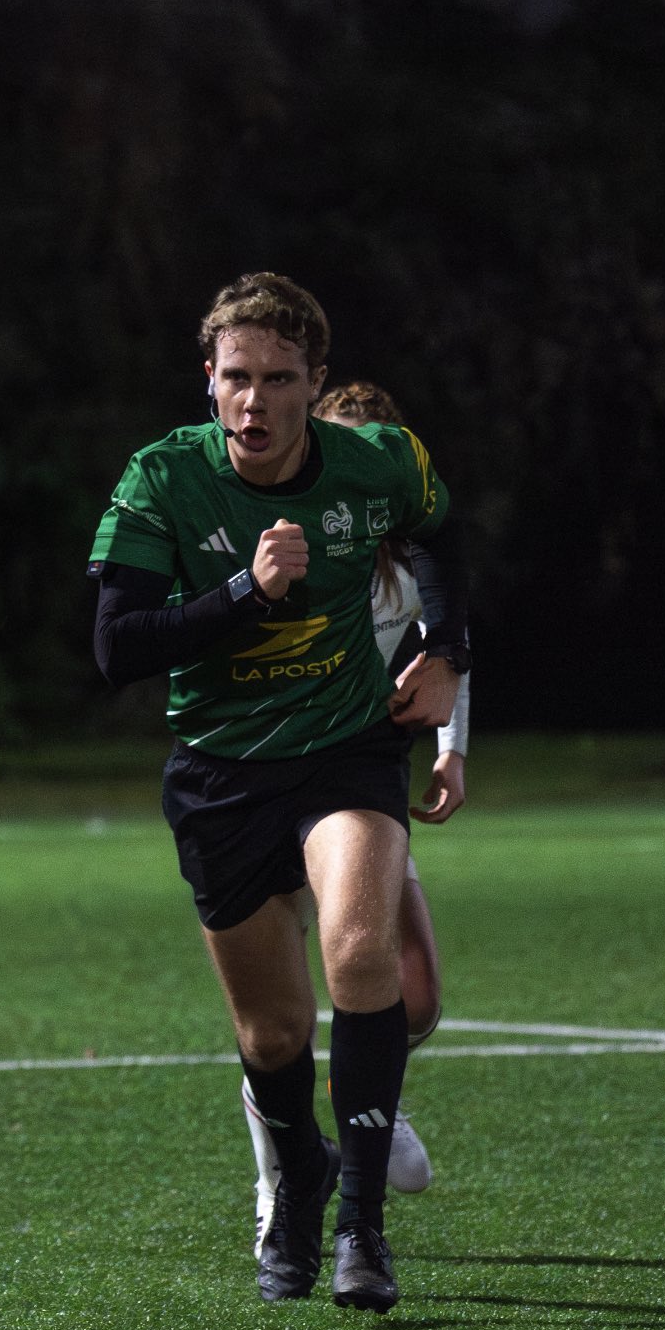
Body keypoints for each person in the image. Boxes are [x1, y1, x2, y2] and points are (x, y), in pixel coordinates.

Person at [87, 275, 469, 1314]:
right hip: (218, 773)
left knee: (358, 952)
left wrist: (445, 652)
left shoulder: (375, 462)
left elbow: (437, 531)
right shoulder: (161, 479)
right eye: (235, 380)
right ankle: (295, 1177)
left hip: (346, 753)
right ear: (206, 383)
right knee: (269, 1036)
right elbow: (115, 648)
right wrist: (240, 595)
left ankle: (362, 1230)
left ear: (315, 386)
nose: (253, 403)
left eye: (277, 381)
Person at [239, 380, 472, 1254]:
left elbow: (447, 649)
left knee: (416, 990)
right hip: (267, 785)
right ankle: (278, 1186)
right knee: (280, 1015)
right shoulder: (281, 541)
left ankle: (376, 1088)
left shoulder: (410, 556)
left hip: (358, 788)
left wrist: (451, 747)